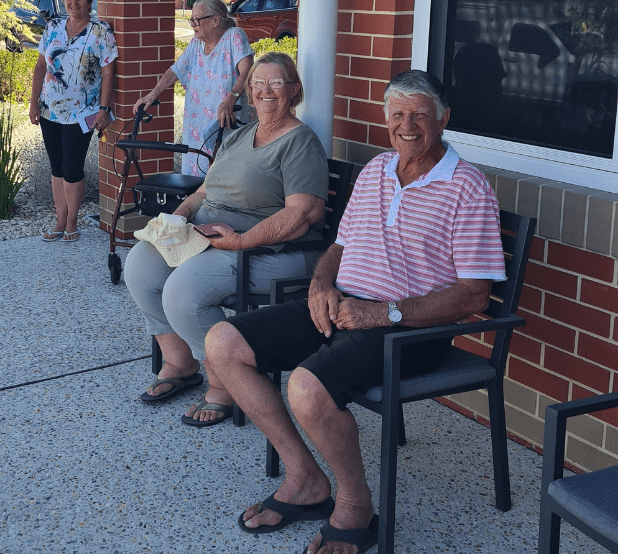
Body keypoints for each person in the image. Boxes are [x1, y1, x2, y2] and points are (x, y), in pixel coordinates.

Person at [204, 69, 507, 554]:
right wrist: (321, 284)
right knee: (223, 343)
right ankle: (304, 477)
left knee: (307, 388)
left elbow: (474, 296)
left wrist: (383, 313)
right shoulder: (376, 170)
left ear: (444, 118)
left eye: (420, 115)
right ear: (386, 119)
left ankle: (354, 505)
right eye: (397, 114)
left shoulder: (467, 187)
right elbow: (340, 245)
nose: (407, 126)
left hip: (409, 330)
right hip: (343, 307)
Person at [124, 52, 328, 426]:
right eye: (257, 83)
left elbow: (303, 214)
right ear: (249, 91)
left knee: (183, 290)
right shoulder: (240, 135)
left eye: (276, 83)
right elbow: (205, 190)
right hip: (213, 237)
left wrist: (242, 241)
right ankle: (180, 363)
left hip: (272, 250)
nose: (266, 91)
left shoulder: (300, 142)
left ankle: (224, 384)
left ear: (294, 90)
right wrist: (178, 217)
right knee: (141, 265)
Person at [29, 0, 117, 243]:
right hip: (50, 110)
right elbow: (41, 66)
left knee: (72, 166)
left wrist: (104, 108)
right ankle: (60, 219)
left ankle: (72, 220)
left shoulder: (101, 31)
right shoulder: (53, 27)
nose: (74, 3)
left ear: (90, 1)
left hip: (82, 112)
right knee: (56, 166)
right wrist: (33, 103)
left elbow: (108, 72)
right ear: (63, 0)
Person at [133, 0, 253, 176]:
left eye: (197, 20)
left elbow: (248, 71)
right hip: (197, 124)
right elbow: (175, 70)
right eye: (191, 19)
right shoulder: (196, 42)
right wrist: (151, 96)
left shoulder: (234, 36)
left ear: (216, 20)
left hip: (225, 121)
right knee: (194, 177)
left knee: (223, 178)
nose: (192, 24)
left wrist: (231, 98)